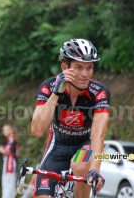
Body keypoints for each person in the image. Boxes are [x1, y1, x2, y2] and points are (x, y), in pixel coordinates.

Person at [31, 38, 110, 198]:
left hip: (84, 145)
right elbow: (37, 130)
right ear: (65, 68)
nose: (85, 74)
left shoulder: (99, 92)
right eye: (79, 67)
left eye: (89, 68)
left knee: (81, 167)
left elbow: (98, 134)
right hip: (57, 146)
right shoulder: (48, 86)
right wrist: (56, 94)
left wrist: (95, 169)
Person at [0, 124, 19, 198]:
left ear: (11, 130)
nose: (5, 132)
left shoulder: (12, 139)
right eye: (4, 130)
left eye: (7, 129)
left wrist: (2, 150)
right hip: (7, 167)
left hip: (10, 167)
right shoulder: (9, 140)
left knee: (9, 187)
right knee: (6, 186)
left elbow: (10, 151)